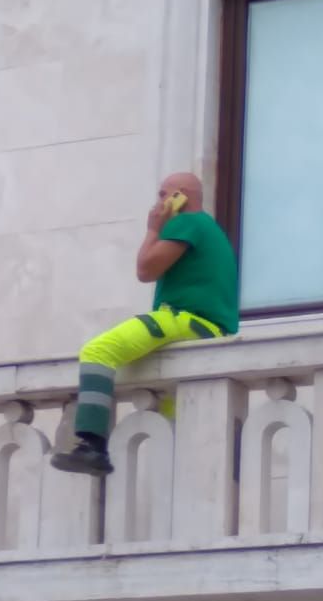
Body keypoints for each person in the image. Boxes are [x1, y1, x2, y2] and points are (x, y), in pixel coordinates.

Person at [51, 173, 239, 477]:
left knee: (99, 351)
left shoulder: (186, 223)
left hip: (184, 318)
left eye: (163, 194)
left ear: (179, 197)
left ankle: (91, 445)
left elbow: (146, 269)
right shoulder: (212, 230)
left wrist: (153, 229)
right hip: (211, 327)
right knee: (168, 403)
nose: (157, 203)